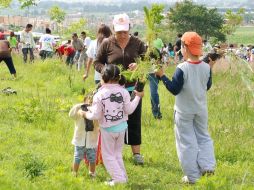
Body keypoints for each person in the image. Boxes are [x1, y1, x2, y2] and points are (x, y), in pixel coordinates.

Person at [155, 32, 216, 184]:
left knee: (186, 143)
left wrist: (162, 75)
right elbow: (207, 86)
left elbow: (174, 89)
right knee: (203, 137)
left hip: (184, 112)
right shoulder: (206, 68)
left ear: (185, 48)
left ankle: (193, 177)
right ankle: (208, 166)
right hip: (201, 110)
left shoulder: (182, 68)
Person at [94, 13, 146, 165]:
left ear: (129, 28)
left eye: (125, 31)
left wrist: (139, 66)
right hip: (111, 90)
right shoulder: (107, 43)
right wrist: (106, 70)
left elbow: (148, 62)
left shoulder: (138, 43)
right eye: (119, 32)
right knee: (112, 119)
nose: (122, 35)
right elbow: (97, 61)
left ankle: (136, 154)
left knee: (134, 120)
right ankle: (111, 153)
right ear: (113, 30)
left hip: (132, 88)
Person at [81, 64, 144, 186]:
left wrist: (85, 114)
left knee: (108, 156)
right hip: (122, 128)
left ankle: (119, 179)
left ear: (103, 78)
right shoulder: (124, 91)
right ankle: (122, 177)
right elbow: (129, 110)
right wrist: (137, 97)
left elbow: (96, 115)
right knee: (117, 154)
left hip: (108, 130)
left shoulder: (100, 94)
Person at [69, 96, 99, 178]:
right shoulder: (79, 112)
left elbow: (100, 123)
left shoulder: (95, 113)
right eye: (88, 102)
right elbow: (71, 115)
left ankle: (92, 173)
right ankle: (74, 172)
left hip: (92, 140)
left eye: (92, 103)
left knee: (92, 158)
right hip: (80, 139)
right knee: (77, 157)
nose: (89, 104)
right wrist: (79, 105)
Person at [148, 37, 164, 119]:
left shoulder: (156, 51)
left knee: (153, 94)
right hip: (143, 73)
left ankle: (157, 114)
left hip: (153, 74)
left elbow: (160, 63)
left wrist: (160, 73)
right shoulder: (144, 50)